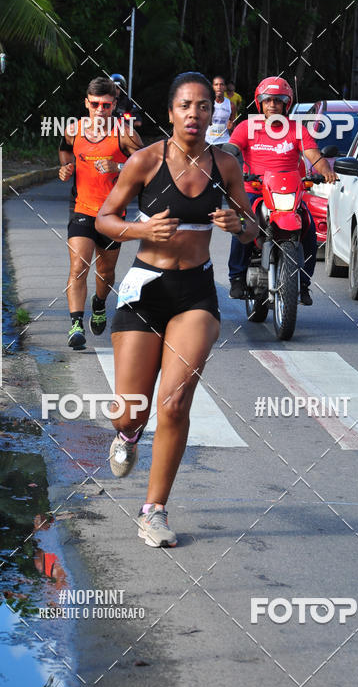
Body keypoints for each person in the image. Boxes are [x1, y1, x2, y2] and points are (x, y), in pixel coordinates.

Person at [95, 72, 256, 547]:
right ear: (170, 113)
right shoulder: (145, 161)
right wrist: (142, 232)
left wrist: (238, 222)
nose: (194, 113)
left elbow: (251, 229)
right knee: (131, 412)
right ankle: (126, 437)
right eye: (185, 105)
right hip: (144, 289)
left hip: (196, 295)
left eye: (203, 105)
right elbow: (105, 216)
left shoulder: (226, 164)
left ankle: (154, 511)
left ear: (213, 112)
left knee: (175, 402)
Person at [227, 76, 337, 304]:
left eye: (278, 100)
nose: (272, 105)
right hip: (255, 189)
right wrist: (225, 161)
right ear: (260, 103)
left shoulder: (297, 130)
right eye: (267, 100)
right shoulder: (247, 127)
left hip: (287, 192)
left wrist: (326, 171)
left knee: (308, 228)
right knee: (243, 224)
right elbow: (231, 150)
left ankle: (303, 283)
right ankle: (236, 277)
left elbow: (314, 156)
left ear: (286, 104)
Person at [59, 77, 143, 349]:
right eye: (95, 104)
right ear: (86, 103)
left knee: (105, 272)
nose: (99, 110)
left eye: (106, 105)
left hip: (111, 214)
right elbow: (64, 150)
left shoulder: (124, 133)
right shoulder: (73, 130)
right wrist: (66, 168)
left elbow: (146, 164)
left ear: (114, 105)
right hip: (81, 208)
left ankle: (99, 303)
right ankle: (75, 324)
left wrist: (119, 169)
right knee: (78, 265)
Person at [205, 75, 237, 146]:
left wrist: (231, 127)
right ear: (212, 87)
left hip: (224, 142)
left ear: (225, 87)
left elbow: (233, 125)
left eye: (221, 84)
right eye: (216, 84)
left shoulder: (231, 105)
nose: (219, 87)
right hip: (207, 141)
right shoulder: (206, 104)